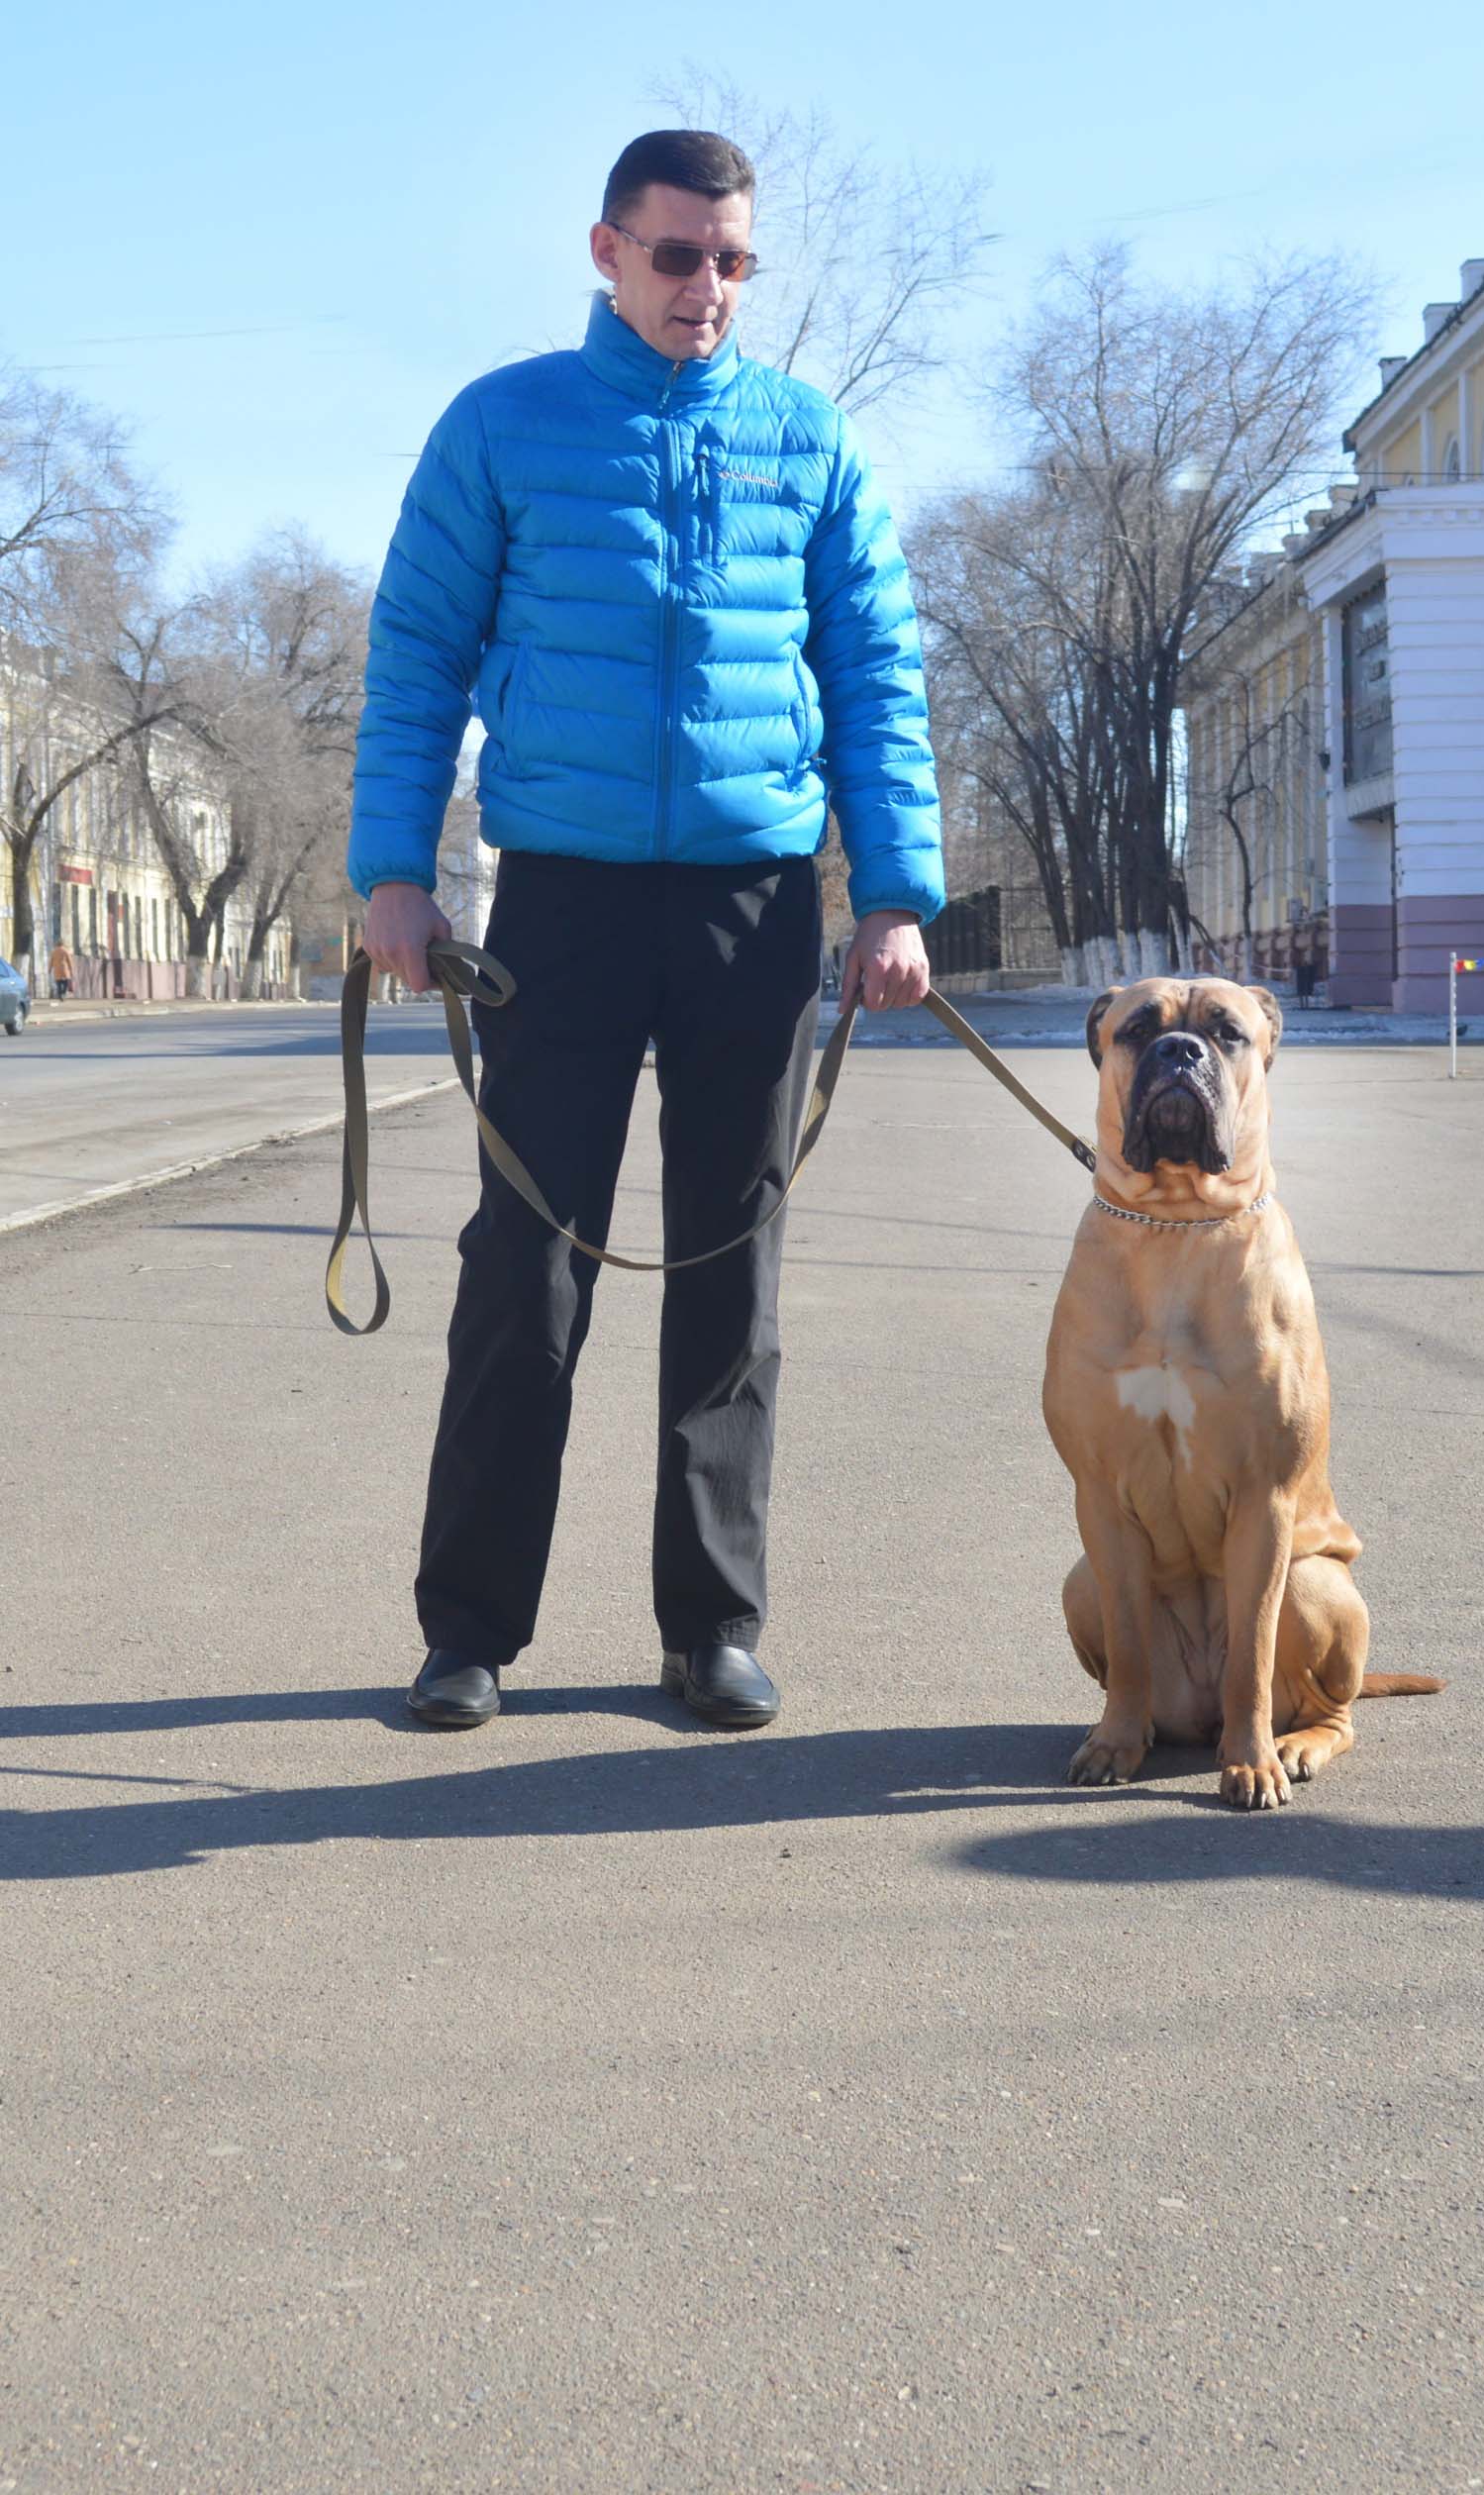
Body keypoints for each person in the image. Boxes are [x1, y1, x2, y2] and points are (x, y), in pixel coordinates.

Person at [349, 129, 943, 1735]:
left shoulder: (806, 438)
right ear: (608, 251)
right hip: (562, 897)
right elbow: (417, 652)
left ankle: (713, 1627)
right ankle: (470, 1628)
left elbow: (877, 671)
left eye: (734, 260)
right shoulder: (505, 425)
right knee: (525, 1263)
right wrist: (394, 871)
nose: (708, 287)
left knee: (731, 1270)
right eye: (679, 255)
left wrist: (894, 894)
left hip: (756, 903)